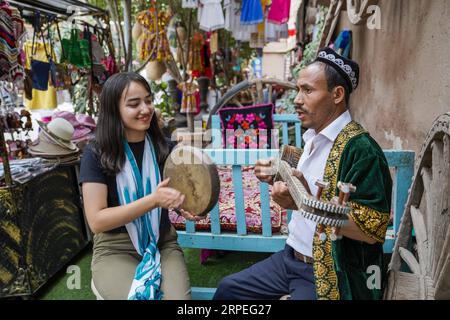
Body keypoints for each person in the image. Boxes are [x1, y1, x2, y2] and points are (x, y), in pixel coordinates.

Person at [213, 48, 393, 300]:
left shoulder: (362, 150)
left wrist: (303, 203)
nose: (297, 99)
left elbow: (373, 229)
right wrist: (275, 171)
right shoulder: (313, 138)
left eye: (307, 90)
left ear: (337, 94)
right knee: (228, 291)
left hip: (328, 269)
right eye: (298, 89)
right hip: (290, 258)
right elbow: (308, 180)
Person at [80, 72, 199, 300]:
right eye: (134, 104)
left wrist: (184, 205)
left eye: (148, 100)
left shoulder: (166, 149)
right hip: (115, 248)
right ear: (113, 110)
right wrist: (152, 201)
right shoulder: (96, 154)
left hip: (161, 242)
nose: (145, 109)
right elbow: (96, 221)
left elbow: (179, 193)